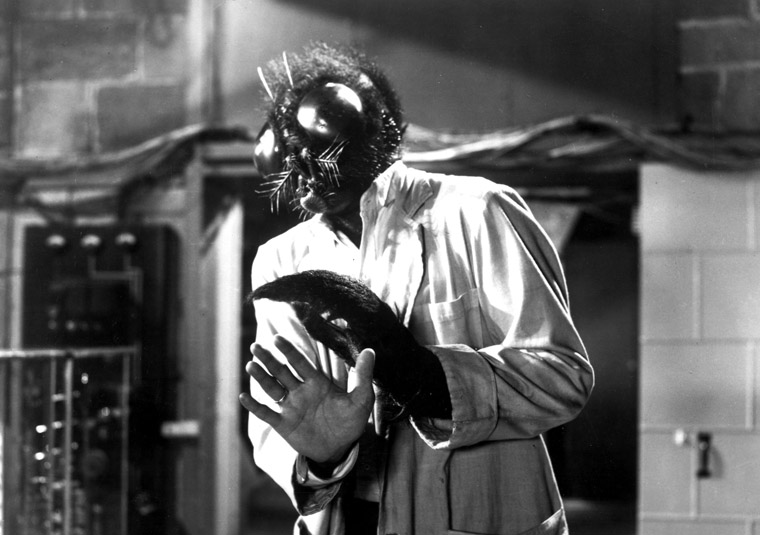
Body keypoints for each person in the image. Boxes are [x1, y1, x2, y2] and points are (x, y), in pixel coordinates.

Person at [239, 42, 594, 535]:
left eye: (322, 150)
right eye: (292, 162)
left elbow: (562, 376)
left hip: (483, 515)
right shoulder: (281, 259)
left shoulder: (477, 211)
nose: (307, 175)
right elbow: (280, 423)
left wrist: (425, 378)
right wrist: (321, 457)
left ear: (377, 132)